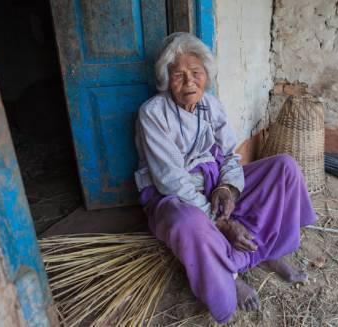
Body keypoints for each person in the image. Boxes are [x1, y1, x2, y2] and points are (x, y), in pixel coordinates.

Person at [135, 32, 317, 323]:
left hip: (212, 184)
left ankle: (267, 248)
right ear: (166, 79)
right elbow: (170, 179)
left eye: (196, 73)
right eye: (178, 75)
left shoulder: (212, 105)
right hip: (173, 195)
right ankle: (229, 274)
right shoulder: (152, 114)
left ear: (206, 75)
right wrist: (221, 220)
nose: (189, 82)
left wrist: (228, 188)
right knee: (188, 223)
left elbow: (231, 156)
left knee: (284, 166)